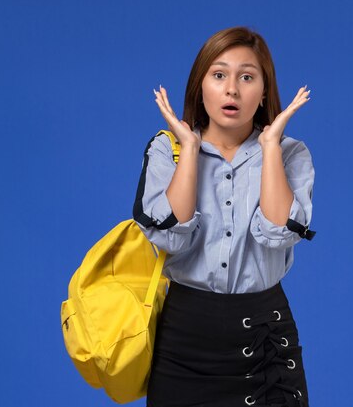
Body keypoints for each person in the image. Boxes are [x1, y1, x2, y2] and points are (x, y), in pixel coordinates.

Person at [133, 26, 315, 407]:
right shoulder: (168, 151)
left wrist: (268, 147)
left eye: (247, 77)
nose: (232, 89)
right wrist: (190, 147)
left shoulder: (289, 153)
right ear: (201, 85)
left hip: (264, 336)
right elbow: (170, 237)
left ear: (263, 92)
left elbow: (278, 233)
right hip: (184, 341)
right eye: (219, 75)